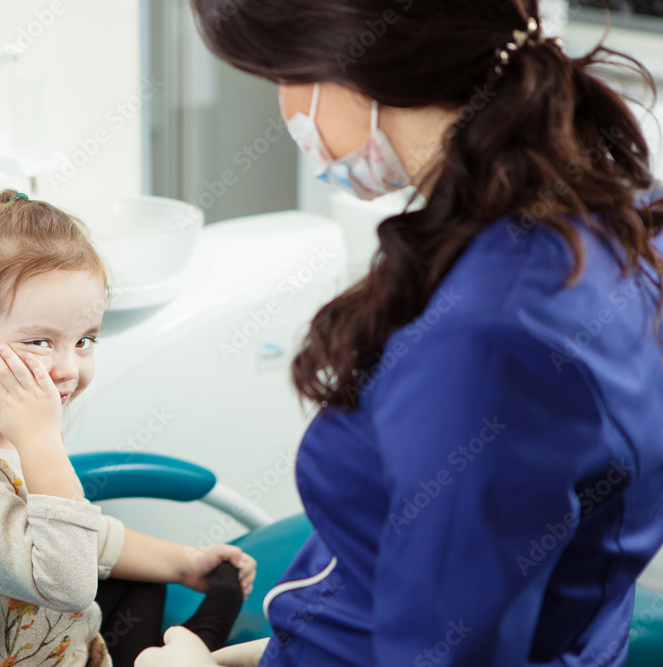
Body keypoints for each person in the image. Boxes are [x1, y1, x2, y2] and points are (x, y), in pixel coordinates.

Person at [137, 1, 663, 665]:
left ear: (348, 68)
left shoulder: (488, 339)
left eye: (280, 77)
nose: (285, 108)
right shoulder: (619, 204)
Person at [0, 189, 257, 667]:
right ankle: (191, 646)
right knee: (191, 634)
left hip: (74, 642)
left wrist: (185, 563)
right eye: (40, 341)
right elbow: (67, 583)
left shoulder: (16, 424)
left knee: (153, 580)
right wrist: (41, 442)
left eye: (85, 340)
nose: (69, 368)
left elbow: (80, 529)